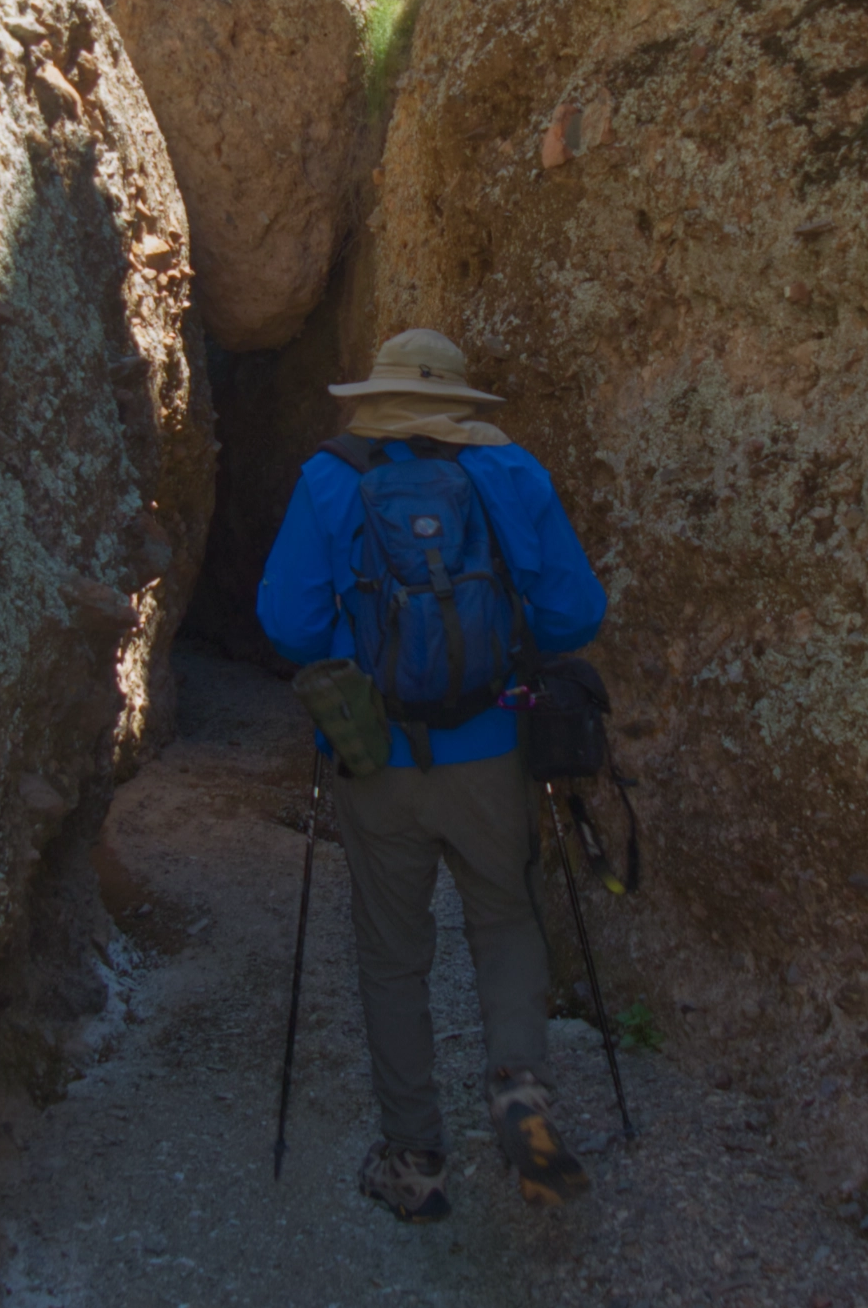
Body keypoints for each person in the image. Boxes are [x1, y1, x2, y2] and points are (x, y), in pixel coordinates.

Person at [256, 328, 608, 1222]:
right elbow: (575, 613)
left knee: (392, 950)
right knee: (505, 918)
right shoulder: (511, 472)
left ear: (375, 396)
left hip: (374, 757)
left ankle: (414, 1159)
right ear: (458, 402)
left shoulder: (330, 477)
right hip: (492, 748)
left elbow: (288, 626)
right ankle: (521, 1099)